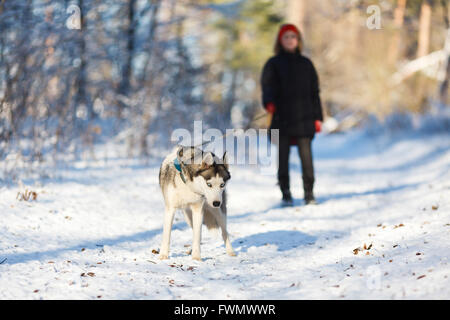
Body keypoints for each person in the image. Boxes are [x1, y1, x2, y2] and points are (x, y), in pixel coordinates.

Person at [261, 24, 323, 206]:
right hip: (281, 118)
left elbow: (315, 92)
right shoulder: (273, 64)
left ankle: (309, 193)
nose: (290, 40)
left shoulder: (306, 64)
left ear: (298, 40)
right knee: (283, 159)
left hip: (305, 118)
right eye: (286, 37)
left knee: (307, 159)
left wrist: (317, 117)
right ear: (280, 41)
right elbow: (267, 87)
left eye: (293, 36)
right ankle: (286, 193)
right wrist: (269, 102)